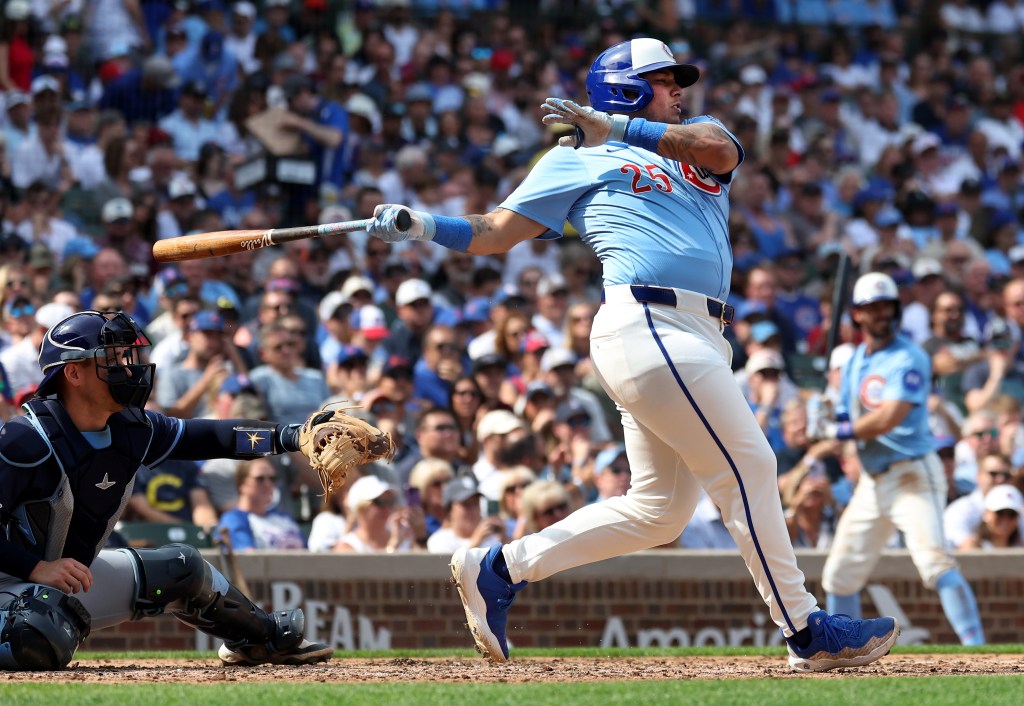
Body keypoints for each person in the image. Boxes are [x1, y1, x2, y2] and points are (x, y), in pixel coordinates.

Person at [367, 37, 898, 672]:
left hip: (697, 335)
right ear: (625, 85)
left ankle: (500, 568)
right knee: (750, 463)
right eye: (664, 78)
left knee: (658, 511)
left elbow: (721, 148)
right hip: (647, 321)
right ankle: (805, 628)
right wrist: (423, 226)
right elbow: (494, 233)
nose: (679, 89)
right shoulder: (570, 160)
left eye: (678, 79)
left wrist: (620, 126)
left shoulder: (687, 140)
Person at [0, 310, 335, 670]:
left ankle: (261, 640)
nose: (127, 370)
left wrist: (292, 435)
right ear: (73, 373)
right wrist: (35, 567)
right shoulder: (23, 441)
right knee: (36, 632)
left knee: (182, 568)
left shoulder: (132, 429)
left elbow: (208, 436)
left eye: (125, 358)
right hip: (14, 586)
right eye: (111, 361)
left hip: (61, 587)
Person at [812, 272, 985, 646]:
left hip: (913, 475)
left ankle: (979, 653)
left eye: (886, 306)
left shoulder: (910, 357)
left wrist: (839, 431)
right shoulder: (857, 359)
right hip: (873, 481)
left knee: (934, 565)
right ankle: (845, 645)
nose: (880, 315)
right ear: (857, 314)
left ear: (897, 309)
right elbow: (847, 416)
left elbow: (889, 416)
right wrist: (825, 415)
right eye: (872, 308)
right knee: (838, 575)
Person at [216, 458, 307, 551]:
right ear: (241, 484)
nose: (268, 484)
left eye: (272, 479)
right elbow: (249, 560)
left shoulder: (284, 517)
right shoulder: (234, 519)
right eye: (260, 479)